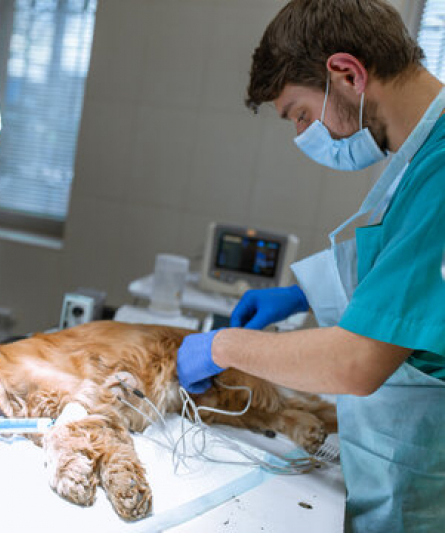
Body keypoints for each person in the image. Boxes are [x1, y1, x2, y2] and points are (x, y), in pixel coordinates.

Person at [176, 1, 445, 531]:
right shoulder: (420, 157)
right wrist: (301, 293)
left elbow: (356, 363)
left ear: (347, 74)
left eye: (301, 114)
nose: (304, 135)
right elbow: (405, 271)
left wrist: (220, 346)